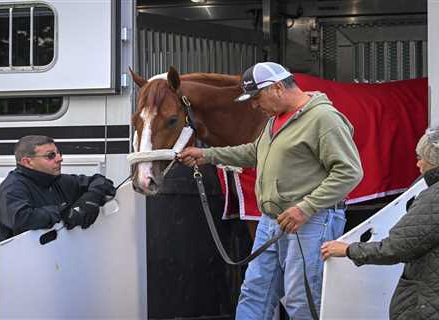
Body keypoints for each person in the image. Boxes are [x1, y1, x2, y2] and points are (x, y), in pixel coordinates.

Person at [178, 62, 363, 319]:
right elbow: (254, 152)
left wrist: (305, 208)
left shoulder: (324, 118)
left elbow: (350, 172)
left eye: (256, 97)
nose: (254, 105)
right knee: (255, 291)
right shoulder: (275, 120)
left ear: (277, 88)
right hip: (273, 221)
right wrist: (207, 155)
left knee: (302, 299)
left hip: (309, 221)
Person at [321, 129, 439, 320]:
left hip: (427, 303)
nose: (418, 163)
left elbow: (397, 248)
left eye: (420, 157)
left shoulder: (434, 197)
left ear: (433, 161)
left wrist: (349, 250)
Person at [0, 135, 116, 301]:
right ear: (27, 162)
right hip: (20, 286)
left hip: (56, 281)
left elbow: (101, 182)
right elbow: (23, 219)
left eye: (58, 153)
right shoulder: (12, 188)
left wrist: (91, 199)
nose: (60, 159)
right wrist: (64, 212)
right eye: (51, 156)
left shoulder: (58, 181)